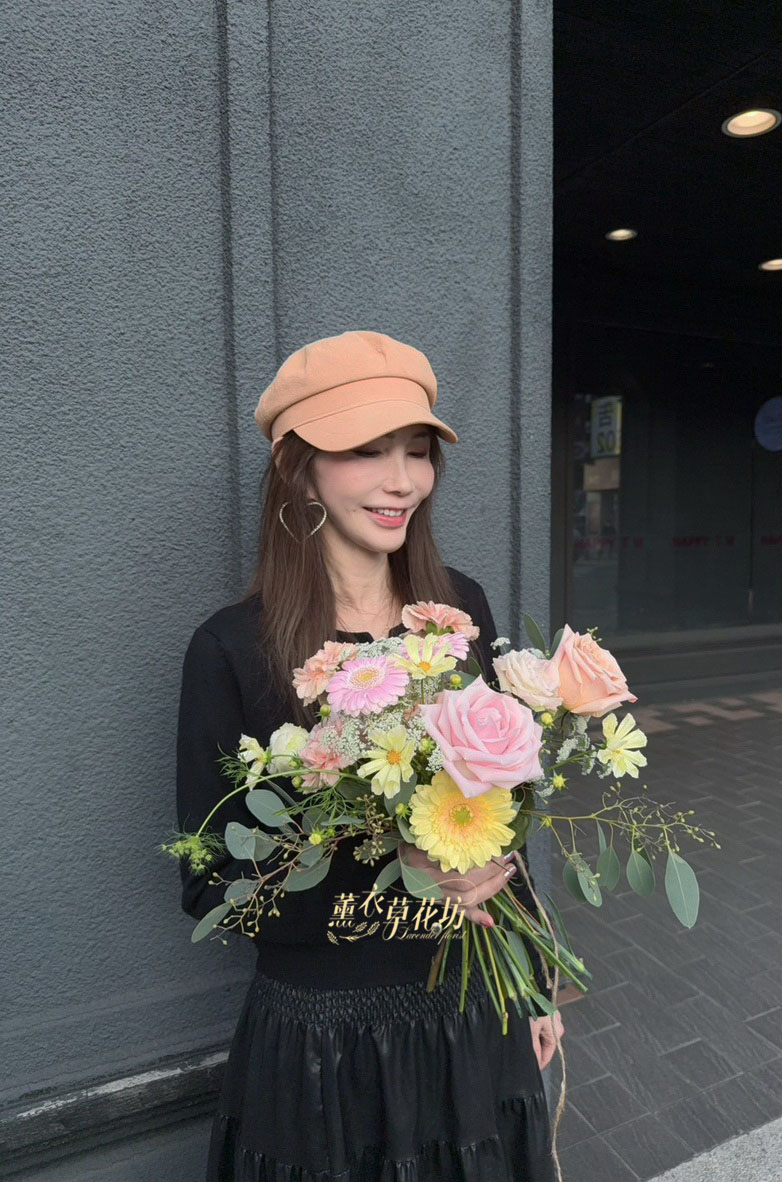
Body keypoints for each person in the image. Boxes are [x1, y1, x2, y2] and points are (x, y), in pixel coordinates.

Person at [175, 329, 563, 1181]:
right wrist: (403, 870)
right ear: (298, 468)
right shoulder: (233, 650)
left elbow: (501, 819)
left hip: (474, 1016)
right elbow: (211, 887)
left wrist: (532, 978)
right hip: (326, 1050)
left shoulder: (458, 612)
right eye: (366, 450)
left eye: (417, 450)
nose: (402, 480)